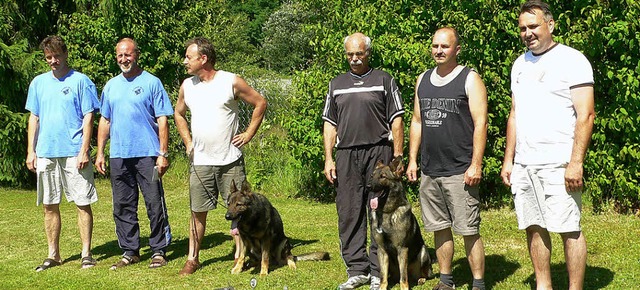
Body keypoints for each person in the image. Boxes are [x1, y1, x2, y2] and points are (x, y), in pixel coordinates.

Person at [500, 1, 595, 289]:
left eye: (533, 26)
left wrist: (575, 162)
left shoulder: (573, 60)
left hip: (558, 162)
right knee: (534, 226)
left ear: (550, 25)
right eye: (523, 28)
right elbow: (515, 114)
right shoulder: (519, 64)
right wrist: (509, 160)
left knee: (569, 228)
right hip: (525, 163)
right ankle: (544, 285)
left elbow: (586, 114)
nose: (527, 33)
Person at [174, 37, 267, 276]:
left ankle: (240, 257)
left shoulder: (230, 81)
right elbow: (179, 113)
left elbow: (260, 102)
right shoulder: (187, 85)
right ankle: (192, 258)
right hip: (200, 162)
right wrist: (187, 141)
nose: (185, 61)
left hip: (230, 160)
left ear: (203, 59)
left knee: (239, 210)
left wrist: (248, 133)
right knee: (197, 211)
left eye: (188, 57)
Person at [406, 27, 488, 290]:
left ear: (457, 49)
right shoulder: (423, 79)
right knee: (439, 227)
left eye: (444, 46)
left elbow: (480, 123)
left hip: (460, 170)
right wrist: (412, 160)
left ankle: (478, 282)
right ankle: (445, 280)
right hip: (431, 170)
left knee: (468, 230)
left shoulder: (469, 78)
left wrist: (476, 164)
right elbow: (417, 121)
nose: (438, 51)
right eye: (435, 46)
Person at [322, 32, 404, 290]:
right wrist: (328, 159)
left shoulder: (384, 80)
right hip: (346, 154)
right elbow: (329, 124)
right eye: (350, 54)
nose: (355, 59)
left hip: (379, 152)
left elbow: (397, 120)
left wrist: (398, 157)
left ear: (368, 53)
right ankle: (357, 270)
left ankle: (379, 270)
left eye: (359, 54)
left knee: (379, 212)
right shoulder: (336, 84)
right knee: (349, 211)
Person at [95, 38, 174, 270]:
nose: (123, 59)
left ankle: (159, 249)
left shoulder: (152, 82)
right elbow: (105, 120)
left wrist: (163, 153)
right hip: (119, 155)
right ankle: (130, 250)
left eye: (127, 55)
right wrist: (100, 152)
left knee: (154, 202)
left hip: (148, 155)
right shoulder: (110, 86)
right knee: (122, 204)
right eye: (120, 55)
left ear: (136, 54)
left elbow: (162, 120)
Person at [25, 35, 100, 272]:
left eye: (57, 56)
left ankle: (86, 254)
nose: (53, 61)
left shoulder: (81, 81)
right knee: (49, 205)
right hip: (46, 152)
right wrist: (31, 151)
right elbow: (34, 118)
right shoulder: (38, 83)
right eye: (49, 57)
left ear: (65, 54)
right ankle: (53, 255)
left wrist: (84, 150)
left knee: (82, 202)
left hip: (74, 152)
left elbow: (89, 116)